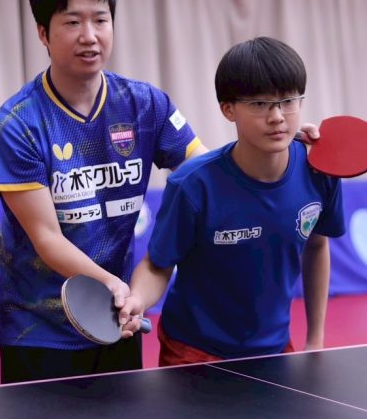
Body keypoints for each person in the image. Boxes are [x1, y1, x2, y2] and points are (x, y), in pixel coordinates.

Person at [0, 0, 205, 419]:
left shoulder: (146, 105)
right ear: (43, 33)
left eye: (100, 19)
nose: (90, 35)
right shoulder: (18, 124)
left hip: (115, 319)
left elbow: (205, 173)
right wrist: (112, 284)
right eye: (72, 21)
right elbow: (46, 237)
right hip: (38, 327)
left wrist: (280, 146)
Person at [120, 37, 345, 365]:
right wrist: (137, 300)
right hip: (193, 351)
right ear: (228, 109)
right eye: (260, 104)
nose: (277, 116)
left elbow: (318, 246)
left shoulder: (319, 171)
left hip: (274, 346)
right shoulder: (192, 185)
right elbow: (157, 264)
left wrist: (315, 338)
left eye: (287, 101)